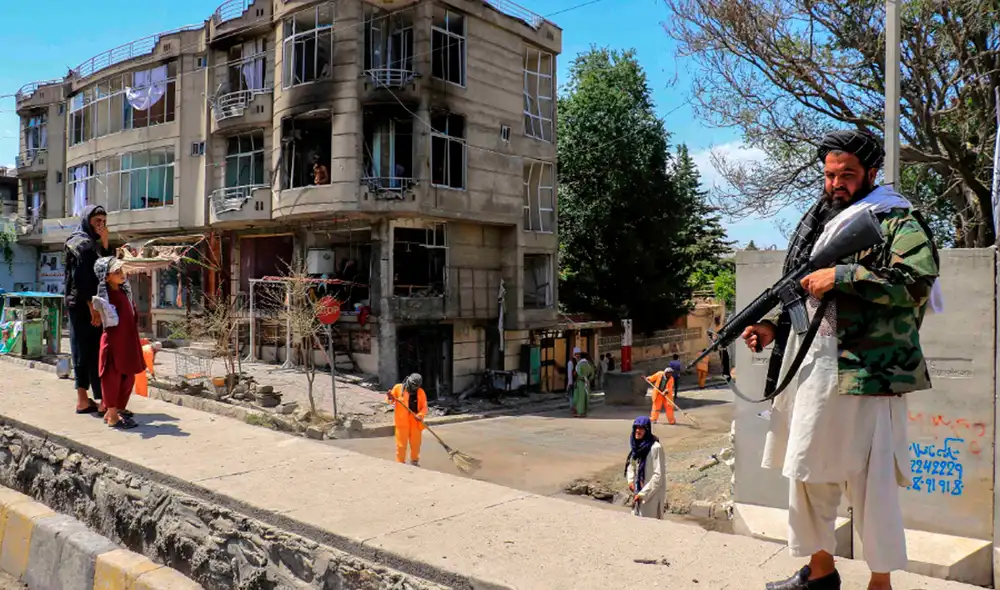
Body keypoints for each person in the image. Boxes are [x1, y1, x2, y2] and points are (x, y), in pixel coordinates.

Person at [742, 129, 941, 590]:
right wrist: (772, 327)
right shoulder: (821, 221)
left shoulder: (896, 219)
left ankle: (880, 582)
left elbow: (916, 282)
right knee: (807, 469)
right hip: (815, 365)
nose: (836, 184)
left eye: (847, 174)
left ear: (871, 173)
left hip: (868, 369)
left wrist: (843, 275)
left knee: (873, 482)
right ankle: (820, 571)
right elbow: (802, 292)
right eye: (830, 175)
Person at [64, 205, 110, 415]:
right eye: (97, 221)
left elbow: (105, 269)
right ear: (86, 221)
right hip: (84, 305)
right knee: (88, 350)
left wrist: (106, 242)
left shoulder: (92, 244)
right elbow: (81, 279)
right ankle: (94, 400)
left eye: (104, 221)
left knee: (88, 349)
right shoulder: (81, 243)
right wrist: (92, 306)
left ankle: (90, 400)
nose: (101, 225)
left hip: (89, 303)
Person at [93, 257, 144, 430]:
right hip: (114, 341)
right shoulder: (105, 297)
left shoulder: (123, 292)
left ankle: (116, 410)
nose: (122, 274)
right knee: (112, 377)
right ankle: (113, 415)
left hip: (127, 339)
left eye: (122, 271)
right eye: (117, 272)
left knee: (128, 376)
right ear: (106, 277)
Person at [625, 416, 665, 519]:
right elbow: (631, 464)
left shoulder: (655, 448)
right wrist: (630, 480)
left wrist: (643, 494)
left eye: (641, 428)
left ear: (647, 430)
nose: (638, 431)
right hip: (638, 491)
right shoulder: (636, 447)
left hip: (651, 495)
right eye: (636, 428)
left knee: (649, 523)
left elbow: (658, 476)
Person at [387, 373, 428, 466]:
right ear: (408, 381)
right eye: (413, 385)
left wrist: (420, 415)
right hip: (402, 421)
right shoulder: (398, 388)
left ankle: (414, 461)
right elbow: (390, 400)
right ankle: (400, 463)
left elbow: (424, 407)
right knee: (401, 445)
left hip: (415, 421)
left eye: (417, 386)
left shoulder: (421, 392)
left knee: (415, 444)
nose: (414, 388)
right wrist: (390, 397)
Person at [572, 351, 594, 417]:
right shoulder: (589, 364)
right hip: (587, 382)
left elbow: (576, 373)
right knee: (585, 397)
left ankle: (580, 412)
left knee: (579, 397)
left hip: (580, 382)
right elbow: (592, 375)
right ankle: (584, 412)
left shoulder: (579, 364)